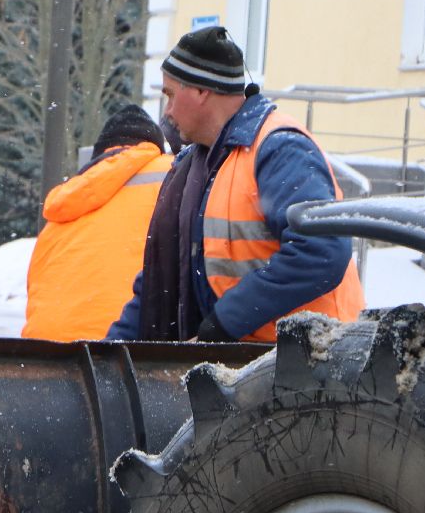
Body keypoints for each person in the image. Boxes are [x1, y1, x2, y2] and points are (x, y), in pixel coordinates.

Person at [107, 26, 362, 342]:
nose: (167, 110)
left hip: (315, 364)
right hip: (259, 364)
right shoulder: (199, 165)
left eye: (170, 95)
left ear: (202, 92)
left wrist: (224, 323)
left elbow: (322, 252)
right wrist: (110, 352)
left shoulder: (278, 147)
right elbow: (162, 276)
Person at [21, 104, 173, 341]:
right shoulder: (173, 175)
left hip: (44, 354)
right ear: (156, 148)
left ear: (99, 157)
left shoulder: (64, 206)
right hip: (123, 349)